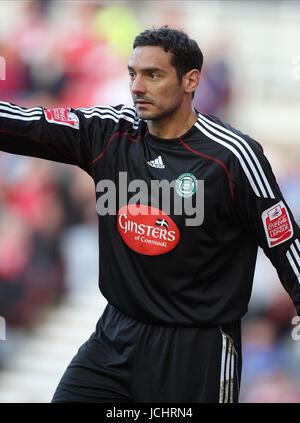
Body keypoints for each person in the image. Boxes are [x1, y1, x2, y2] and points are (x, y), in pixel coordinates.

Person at [0, 26, 300, 403]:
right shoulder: (109, 133)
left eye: (153, 75)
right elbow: (29, 124)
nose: (137, 86)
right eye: (132, 74)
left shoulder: (232, 156)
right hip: (115, 335)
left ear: (190, 80)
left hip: (196, 348)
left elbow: (286, 243)